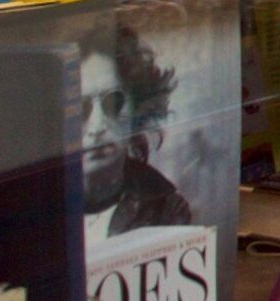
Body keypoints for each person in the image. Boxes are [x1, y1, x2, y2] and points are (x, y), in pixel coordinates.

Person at [73, 15, 198, 239]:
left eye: (114, 101)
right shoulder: (32, 213)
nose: (97, 126)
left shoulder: (165, 208)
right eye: (80, 108)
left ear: (138, 105)